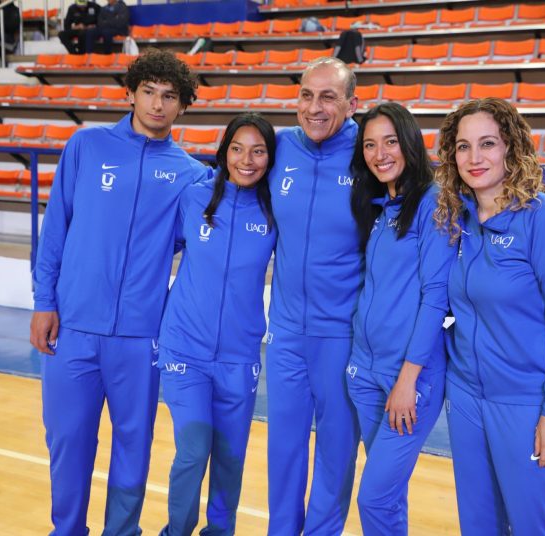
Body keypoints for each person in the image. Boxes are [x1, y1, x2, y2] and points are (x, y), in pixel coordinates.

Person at [30, 49, 207, 536]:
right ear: (130, 93)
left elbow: (199, 244)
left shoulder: (192, 175)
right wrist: (44, 301)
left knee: (133, 446)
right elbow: (56, 228)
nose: (157, 104)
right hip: (73, 326)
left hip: (140, 335)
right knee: (67, 441)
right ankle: (68, 530)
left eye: (169, 96)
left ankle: (121, 531)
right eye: (148, 92)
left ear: (183, 106)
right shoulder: (86, 146)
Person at [433, 98, 545, 535]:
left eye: (488, 144)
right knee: (478, 526)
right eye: (463, 147)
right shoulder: (456, 219)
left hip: (527, 404)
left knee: (532, 527)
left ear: (511, 149)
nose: (474, 158)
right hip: (465, 398)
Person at [156, 112, 277, 535]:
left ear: (270, 158)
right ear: (224, 152)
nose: (247, 160)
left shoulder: (274, 210)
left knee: (229, 458)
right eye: (237, 149)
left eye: (258, 151)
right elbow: (154, 252)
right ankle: (176, 531)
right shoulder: (194, 197)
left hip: (239, 357)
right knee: (193, 450)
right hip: (184, 350)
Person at [346, 102, 454, 534]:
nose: (380, 154)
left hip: (409, 379)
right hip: (365, 373)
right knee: (387, 497)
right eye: (370, 145)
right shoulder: (380, 206)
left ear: (409, 142)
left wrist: (408, 379)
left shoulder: (433, 203)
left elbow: (435, 298)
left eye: (390, 141)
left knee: (373, 497)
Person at [265, 56, 362, 536]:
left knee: (336, 452)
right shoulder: (279, 148)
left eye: (328, 96)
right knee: (283, 449)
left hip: (342, 335)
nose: (315, 107)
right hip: (285, 333)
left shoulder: (370, 155)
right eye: (306, 95)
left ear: (352, 104)